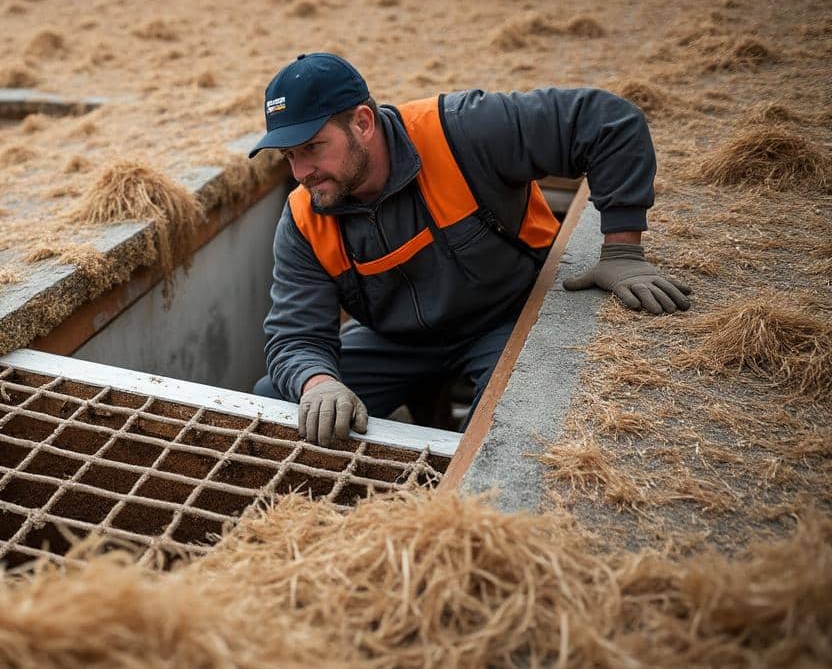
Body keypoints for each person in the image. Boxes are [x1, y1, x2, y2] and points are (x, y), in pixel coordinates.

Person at [248, 53, 691, 445]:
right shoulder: (303, 218)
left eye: (312, 147)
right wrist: (317, 382)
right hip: (397, 341)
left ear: (363, 123)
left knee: (508, 429)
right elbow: (296, 336)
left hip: (508, 315)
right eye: (289, 155)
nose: (302, 171)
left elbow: (607, 122)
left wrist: (622, 250)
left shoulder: (461, 131)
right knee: (275, 400)